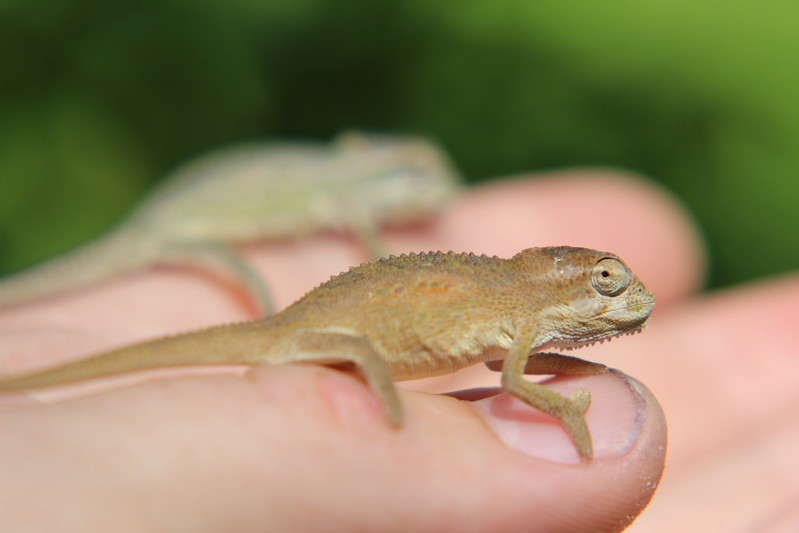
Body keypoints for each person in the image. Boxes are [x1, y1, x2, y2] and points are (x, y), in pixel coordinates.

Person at [1, 170, 791, 532]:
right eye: (606, 285)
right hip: (331, 331)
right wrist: (569, 408)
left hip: (331, 325)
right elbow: (520, 381)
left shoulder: (518, 310)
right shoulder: (519, 311)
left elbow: (507, 366)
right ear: (563, 287)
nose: (623, 301)